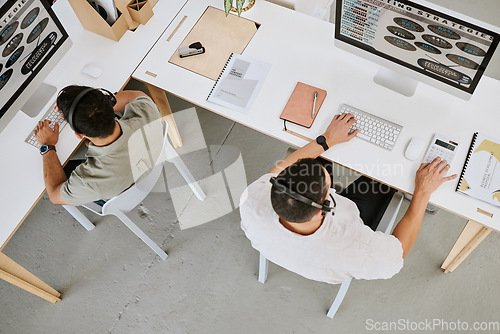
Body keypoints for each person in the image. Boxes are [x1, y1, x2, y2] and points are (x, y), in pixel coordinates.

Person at [240, 113, 457, 284]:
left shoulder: (253, 200)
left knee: (321, 158)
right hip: (348, 226)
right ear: (324, 207)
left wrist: (326, 141)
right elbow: (398, 251)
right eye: (329, 187)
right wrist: (422, 193)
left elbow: (280, 168)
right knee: (388, 178)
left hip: (283, 245)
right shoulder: (355, 246)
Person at [34, 85, 163, 206]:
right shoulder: (147, 111)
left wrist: (47, 145)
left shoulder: (91, 182)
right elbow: (134, 95)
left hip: (116, 189)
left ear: (79, 135)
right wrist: (94, 110)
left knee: (65, 166)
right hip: (146, 166)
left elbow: (55, 196)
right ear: (109, 102)